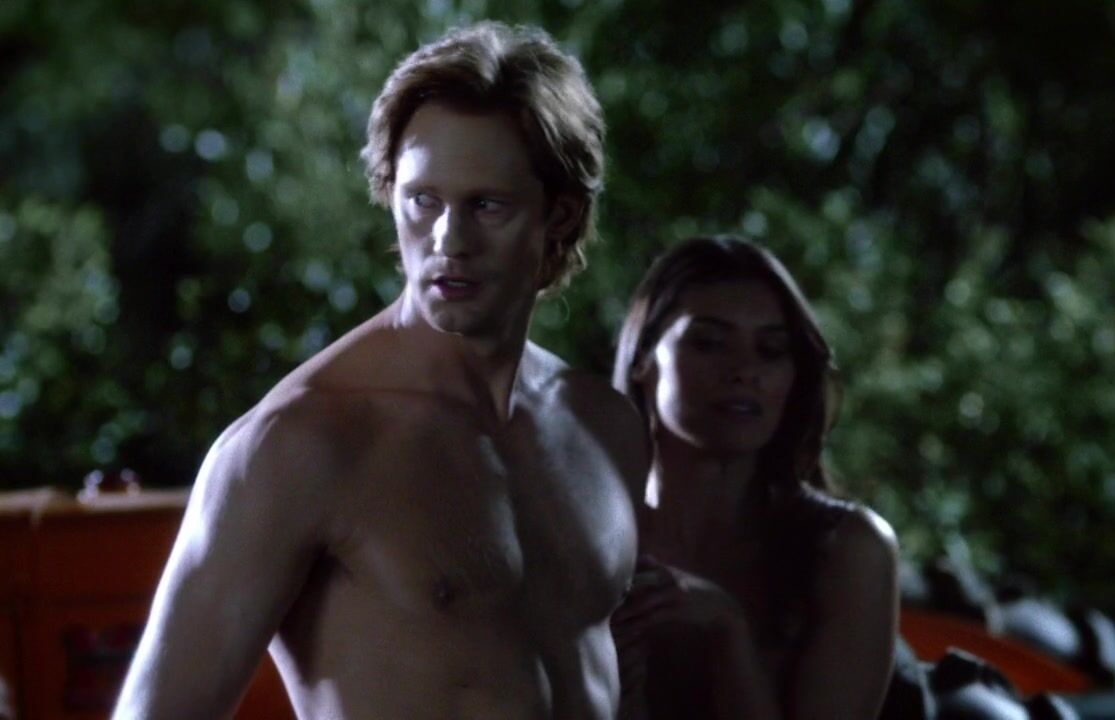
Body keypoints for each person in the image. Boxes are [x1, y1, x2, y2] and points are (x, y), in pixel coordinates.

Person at [114, 22, 646, 720]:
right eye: (424, 200)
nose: (449, 240)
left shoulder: (602, 427)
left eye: (487, 205)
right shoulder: (299, 443)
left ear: (560, 215)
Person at [610, 236, 899, 719]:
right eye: (709, 342)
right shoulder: (589, 530)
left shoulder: (847, 548)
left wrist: (728, 634)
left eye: (771, 350)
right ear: (643, 358)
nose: (745, 370)